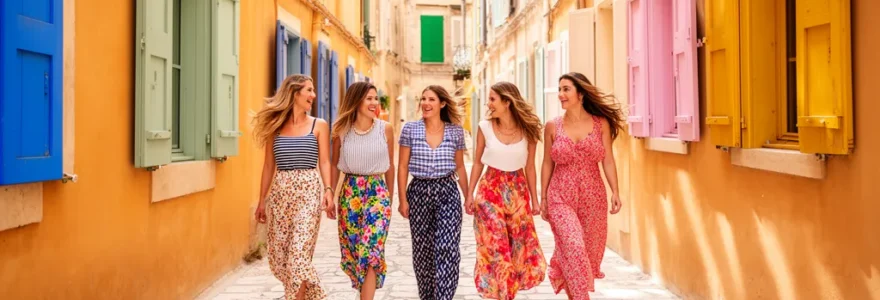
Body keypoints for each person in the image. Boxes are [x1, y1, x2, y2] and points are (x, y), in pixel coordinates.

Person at [541, 72, 624, 300]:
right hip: (560, 195)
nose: (560, 94)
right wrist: (544, 197)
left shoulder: (600, 124)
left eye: (566, 89)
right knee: (574, 246)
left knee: (585, 252)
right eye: (559, 89)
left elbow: (608, 160)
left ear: (581, 93)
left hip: (593, 196)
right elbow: (547, 163)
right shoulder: (552, 126)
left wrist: (615, 191)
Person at [253, 74, 335, 300]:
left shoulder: (319, 125)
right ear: (294, 93)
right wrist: (262, 200)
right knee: (280, 260)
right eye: (309, 90)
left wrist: (328, 190)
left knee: (298, 257)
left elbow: (325, 162)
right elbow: (268, 166)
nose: (314, 95)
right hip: (280, 196)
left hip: (308, 193)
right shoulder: (275, 126)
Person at [465, 82, 547, 300]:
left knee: (517, 250)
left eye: (493, 99)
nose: (488, 104)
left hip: (518, 193)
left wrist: (535, 200)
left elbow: (530, 167)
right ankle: (503, 296)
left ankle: (506, 293)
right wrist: (470, 194)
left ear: (507, 102)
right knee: (496, 248)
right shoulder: (484, 127)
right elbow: (477, 163)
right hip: (489, 192)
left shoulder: (528, 130)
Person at [397, 85, 470, 300]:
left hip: (447, 192)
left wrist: (468, 196)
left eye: (431, 99)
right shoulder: (410, 129)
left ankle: (444, 297)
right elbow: (402, 166)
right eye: (423, 99)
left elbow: (460, 167)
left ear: (442, 103)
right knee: (423, 253)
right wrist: (402, 200)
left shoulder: (455, 131)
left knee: (448, 247)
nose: (425, 103)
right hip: (419, 192)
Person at [329, 82, 396, 300]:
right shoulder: (341, 131)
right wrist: (330, 194)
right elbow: (334, 164)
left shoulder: (385, 129)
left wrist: (389, 199)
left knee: (371, 251)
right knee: (355, 253)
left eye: (376, 98)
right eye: (369, 98)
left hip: (377, 193)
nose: (374, 102)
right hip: (350, 194)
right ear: (356, 101)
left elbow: (390, 165)